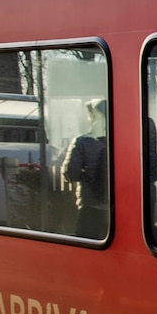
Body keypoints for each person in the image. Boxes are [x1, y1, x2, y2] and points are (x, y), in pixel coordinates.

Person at [61, 98, 109, 239]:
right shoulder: (122, 141)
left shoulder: (82, 142)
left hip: (90, 205)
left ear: (93, 116)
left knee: (87, 242)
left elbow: (71, 174)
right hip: (118, 210)